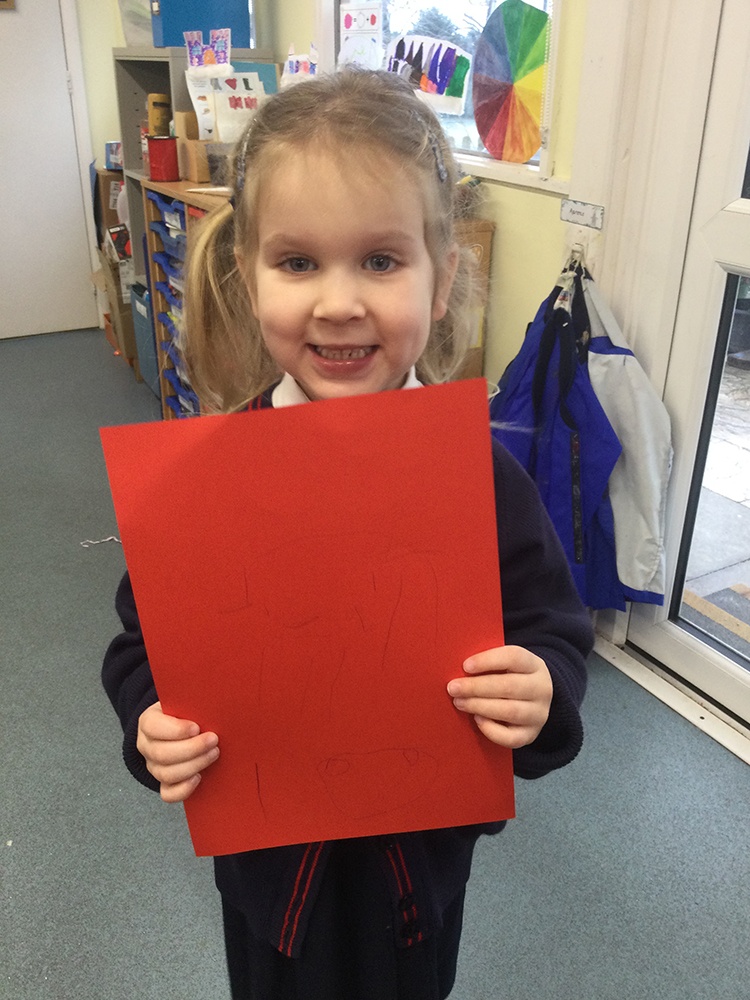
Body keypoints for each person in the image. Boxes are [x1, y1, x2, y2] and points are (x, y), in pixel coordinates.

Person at [102, 69, 593, 1000]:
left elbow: (552, 626)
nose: (337, 303)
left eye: (380, 260)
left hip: (417, 879)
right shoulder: (202, 484)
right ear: (247, 273)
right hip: (270, 884)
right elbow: (142, 644)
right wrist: (150, 721)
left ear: (442, 279)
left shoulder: (479, 476)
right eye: (298, 263)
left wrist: (542, 691)